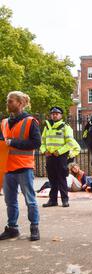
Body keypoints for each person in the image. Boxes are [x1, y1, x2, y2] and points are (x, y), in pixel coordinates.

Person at [0, 91, 41, 241]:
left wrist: (13, 142)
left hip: (24, 166)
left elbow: (36, 143)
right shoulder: (4, 122)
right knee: (9, 201)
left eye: (11, 101)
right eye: (7, 101)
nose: (8, 103)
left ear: (21, 103)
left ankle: (34, 227)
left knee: (30, 200)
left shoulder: (30, 121)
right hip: (7, 168)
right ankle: (12, 228)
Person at [40, 106, 80, 208]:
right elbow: (42, 142)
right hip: (50, 157)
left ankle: (65, 200)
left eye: (57, 114)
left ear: (61, 115)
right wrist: (44, 151)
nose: (54, 115)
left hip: (61, 157)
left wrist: (59, 151)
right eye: (53, 114)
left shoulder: (65, 127)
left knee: (62, 179)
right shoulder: (47, 127)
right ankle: (53, 200)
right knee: (52, 179)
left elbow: (70, 143)